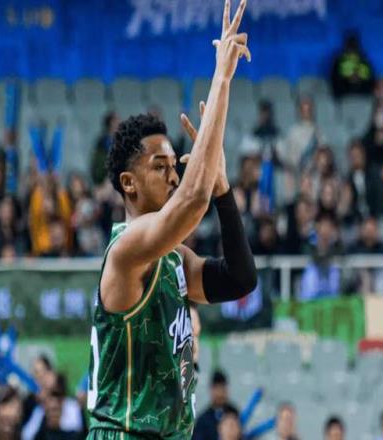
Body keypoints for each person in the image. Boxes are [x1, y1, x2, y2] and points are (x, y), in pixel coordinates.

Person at [87, 1, 256, 438]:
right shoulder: (125, 251)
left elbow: (240, 279)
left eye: (173, 165)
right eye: (159, 166)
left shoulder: (174, 259)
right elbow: (192, 200)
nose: (173, 174)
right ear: (128, 183)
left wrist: (223, 191)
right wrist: (222, 79)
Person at [193, 371, 239, 440]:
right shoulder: (203, 420)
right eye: (217, 389)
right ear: (211, 390)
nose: (220, 393)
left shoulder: (234, 413)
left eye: (223, 388)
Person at [330, 31, 376, 99]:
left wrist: (358, 76)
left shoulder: (363, 60)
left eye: (353, 47)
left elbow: (370, 77)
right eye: (350, 47)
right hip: (344, 87)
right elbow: (334, 77)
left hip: (360, 88)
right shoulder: (340, 60)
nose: (352, 50)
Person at [91, 112, 120, 186]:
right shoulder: (103, 142)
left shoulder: (122, 139)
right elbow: (98, 164)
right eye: (116, 121)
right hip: (106, 179)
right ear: (110, 124)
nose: (119, 122)